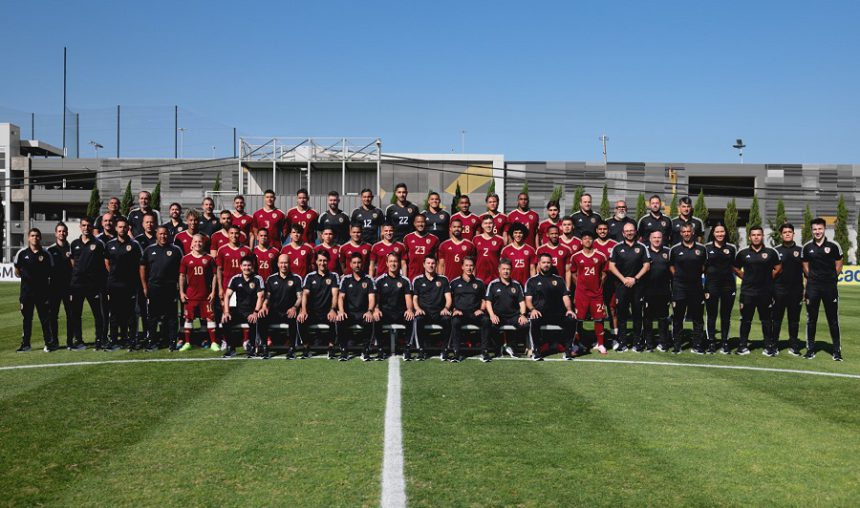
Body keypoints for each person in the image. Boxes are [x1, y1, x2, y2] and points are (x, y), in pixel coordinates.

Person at [734, 226, 781, 356]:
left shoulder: (771, 252)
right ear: (749, 237)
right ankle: (742, 346)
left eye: (758, 235)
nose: (756, 237)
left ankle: (768, 347)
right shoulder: (743, 253)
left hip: (765, 292)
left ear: (762, 236)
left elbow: (778, 268)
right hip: (747, 292)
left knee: (766, 320)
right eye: (753, 235)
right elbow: (736, 268)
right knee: (745, 320)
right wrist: (747, 278)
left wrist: (766, 278)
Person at [801, 218, 843, 360]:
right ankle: (810, 349)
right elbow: (805, 265)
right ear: (812, 230)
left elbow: (839, 264)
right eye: (814, 229)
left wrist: (830, 278)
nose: (817, 232)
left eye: (820, 229)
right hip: (813, 287)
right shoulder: (807, 247)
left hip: (829, 287)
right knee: (811, 319)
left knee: (833, 319)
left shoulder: (834, 245)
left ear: (825, 229)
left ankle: (836, 351)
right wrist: (812, 278)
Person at [525, 253, 577, 361]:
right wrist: (533, 309)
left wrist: (569, 309)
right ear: (539, 264)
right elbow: (528, 300)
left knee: (571, 319)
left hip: (557, 314)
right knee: (534, 320)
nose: (546, 265)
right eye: (543, 262)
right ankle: (536, 352)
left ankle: (568, 351)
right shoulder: (532, 281)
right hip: (540, 314)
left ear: (551, 264)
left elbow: (565, 297)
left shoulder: (559, 280)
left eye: (548, 262)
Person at [139, 225, 183, 351]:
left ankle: (172, 342)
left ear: (168, 235)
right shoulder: (149, 250)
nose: (163, 236)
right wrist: (144, 287)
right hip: (154, 288)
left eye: (165, 234)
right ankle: (152, 342)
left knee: (172, 317)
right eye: (160, 234)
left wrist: (179, 287)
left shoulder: (175, 250)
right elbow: (142, 268)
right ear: (156, 235)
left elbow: (181, 271)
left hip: (170, 288)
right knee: (153, 317)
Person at [608, 222, 650, 352]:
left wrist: (635, 279)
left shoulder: (642, 247)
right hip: (622, 286)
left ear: (635, 231)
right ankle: (623, 342)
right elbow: (611, 266)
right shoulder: (617, 247)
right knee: (622, 316)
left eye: (631, 230)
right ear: (623, 233)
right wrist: (623, 279)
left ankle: (637, 342)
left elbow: (647, 266)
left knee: (638, 315)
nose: (629, 233)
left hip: (638, 286)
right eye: (627, 231)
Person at [69, 217, 107, 350]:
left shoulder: (99, 243)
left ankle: (99, 339)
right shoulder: (74, 244)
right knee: (76, 314)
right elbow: (73, 263)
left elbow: (103, 265)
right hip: (77, 285)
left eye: (88, 226)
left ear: (92, 228)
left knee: (98, 314)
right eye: (84, 225)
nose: (86, 228)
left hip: (93, 285)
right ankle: (78, 340)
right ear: (80, 227)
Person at [104, 217, 142, 350]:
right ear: (116, 228)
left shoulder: (135, 245)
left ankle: (131, 340)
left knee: (131, 314)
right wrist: (115, 275)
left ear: (128, 229)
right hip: (114, 286)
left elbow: (140, 264)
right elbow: (107, 263)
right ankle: (114, 340)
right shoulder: (110, 245)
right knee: (114, 314)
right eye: (120, 227)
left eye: (125, 227)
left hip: (130, 285)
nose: (122, 229)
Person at [14, 228, 54, 352]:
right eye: (32, 235)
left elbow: (51, 272)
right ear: (28, 237)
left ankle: (49, 343)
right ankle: (26, 344)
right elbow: (17, 271)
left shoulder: (46, 254)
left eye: (37, 235)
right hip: (26, 294)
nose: (35, 238)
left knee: (45, 319)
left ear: (40, 238)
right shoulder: (22, 253)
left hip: (42, 293)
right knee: (27, 319)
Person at [669, 223, 707, 354]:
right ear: (681, 233)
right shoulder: (674, 249)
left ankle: (697, 345)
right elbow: (671, 266)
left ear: (693, 233)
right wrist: (679, 277)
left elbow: (704, 266)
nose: (686, 233)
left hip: (696, 288)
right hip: (679, 288)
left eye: (688, 231)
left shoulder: (702, 249)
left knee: (697, 318)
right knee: (678, 318)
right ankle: (677, 345)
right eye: (684, 231)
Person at [570, 231, 610, 354]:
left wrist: (599, 286)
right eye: (585, 239)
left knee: (599, 319)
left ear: (593, 240)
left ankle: (600, 344)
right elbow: (573, 273)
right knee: (579, 320)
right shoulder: (576, 256)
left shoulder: (601, 256)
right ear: (581, 241)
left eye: (590, 238)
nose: (587, 241)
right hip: (581, 294)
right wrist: (580, 287)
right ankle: (578, 343)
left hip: (596, 294)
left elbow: (604, 273)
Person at [483, 259, 529, 361]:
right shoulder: (493, 284)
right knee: (491, 324)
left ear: (511, 270)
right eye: (503, 269)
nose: (506, 271)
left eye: (508, 269)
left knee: (525, 325)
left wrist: (523, 315)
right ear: (499, 270)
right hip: (498, 315)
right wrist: (492, 315)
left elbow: (522, 302)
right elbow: (488, 302)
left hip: (513, 315)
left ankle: (512, 347)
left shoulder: (516, 284)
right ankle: (497, 348)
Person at [298, 251, 341, 359]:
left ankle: (331, 347)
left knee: (335, 319)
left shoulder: (334, 276)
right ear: (316, 262)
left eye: (325, 260)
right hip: (313, 312)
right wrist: (303, 310)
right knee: (300, 319)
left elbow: (335, 294)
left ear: (328, 261)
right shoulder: (310, 277)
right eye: (320, 260)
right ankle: (306, 347)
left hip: (327, 311)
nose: (322, 263)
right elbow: (305, 295)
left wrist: (333, 309)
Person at [179, 234, 218, 351]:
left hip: (206, 295)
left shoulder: (210, 258)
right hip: (190, 295)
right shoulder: (185, 258)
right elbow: (181, 276)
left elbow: (215, 275)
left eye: (200, 242)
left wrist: (213, 291)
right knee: (188, 319)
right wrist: (181, 292)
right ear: (191, 244)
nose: (197, 244)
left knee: (210, 318)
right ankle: (187, 343)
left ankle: (214, 343)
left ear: (203, 243)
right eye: (195, 242)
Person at [409, 255, 452, 361]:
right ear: (424, 265)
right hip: (424, 312)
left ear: (436, 265)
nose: (430, 265)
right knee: (418, 319)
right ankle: (421, 350)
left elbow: (449, 298)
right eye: (428, 263)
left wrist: (446, 308)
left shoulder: (443, 279)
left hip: (439, 312)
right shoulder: (417, 280)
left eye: (433, 263)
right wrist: (418, 308)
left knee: (448, 319)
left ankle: (445, 350)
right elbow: (414, 298)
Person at [221, 257, 265, 358]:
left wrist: (255, 312)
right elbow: (227, 295)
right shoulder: (235, 279)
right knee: (225, 320)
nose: (247, 268)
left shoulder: (258, 279)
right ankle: (231, 348)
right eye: (244, 265)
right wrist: (226, 312)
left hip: (252, 311)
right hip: (239, 311)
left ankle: (253, 348)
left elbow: (261, 296)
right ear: (240, 267)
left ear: (252, 267)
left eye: (249, 265)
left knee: (254, 320)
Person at [260, 254, 303, 358]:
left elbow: (300, 297)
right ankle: (264, 347)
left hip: (289, 311)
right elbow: (267, 297)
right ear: (278, 264)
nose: (284, 265)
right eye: (281, 263)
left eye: (286, 263)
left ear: (289, 264)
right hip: (275, 312)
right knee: (261, 317)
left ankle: (292, 348)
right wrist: (264, 306)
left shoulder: (296, 278)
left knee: (293, 317)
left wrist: (294, 307)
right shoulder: (271, 279)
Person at [373, 252, 415, 360]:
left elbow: (408, 299)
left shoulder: (405, 281)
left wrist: (410, 309)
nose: (393, 264)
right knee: (376, 317)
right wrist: (376, 309)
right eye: (391, 261)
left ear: (399, 264)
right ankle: (380, 349)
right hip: (385, 312)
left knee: (411, 317)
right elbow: (376, 299)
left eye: (395, 261)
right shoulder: (380, 280)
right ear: (386, 263)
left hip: (400, 312)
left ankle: (407, 348)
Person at [337, 253, 378, 361]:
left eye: (359, 262)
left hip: (363, 312)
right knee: (340, 320)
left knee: (369, 320)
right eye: (354, 263)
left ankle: (365, 350)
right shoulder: (345, 280)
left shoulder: (368, 279)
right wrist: (341, 311)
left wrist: (370, 311)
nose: (357, 265)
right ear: (350, 264)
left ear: (363, 264)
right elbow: (340, 297)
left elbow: (372, 298)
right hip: (349, 313)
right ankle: (344, 350)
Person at [704, 223, 737, 354]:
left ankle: (724, 341)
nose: (720, 234)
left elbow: (735, 266)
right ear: (713, 233)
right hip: (711, 285)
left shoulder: (732, 248)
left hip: (728, 285)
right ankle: (711, 341)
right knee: (711, 315)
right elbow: (702, 267)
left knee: (726, 315)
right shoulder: (706, 248)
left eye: (722, 231)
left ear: (725, 232)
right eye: (717, 232)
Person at [446, 257, 486, 362]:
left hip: (474, 313)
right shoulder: (454, 283)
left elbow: (484, 300)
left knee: (486, 321)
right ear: (462, 267)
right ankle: (456, 352)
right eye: (467, 265)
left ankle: (484, 352)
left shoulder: (479, 283)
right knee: (455, 321)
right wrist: (454, 310)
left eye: (471, 265)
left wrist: (481, 309)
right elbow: (449, 299)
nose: (469, 268)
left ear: (474, 267)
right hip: (460, 313)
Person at [773, 223, 804, 356]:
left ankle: (794, 345)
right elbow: (771, 271)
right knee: (776, 319)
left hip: (796, 290)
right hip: (778, 290)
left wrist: (805, 289)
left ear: (793, 234)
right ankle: (773, 345)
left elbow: (806, 271)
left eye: (789, 232)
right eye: (784, 232)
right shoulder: (775, 251)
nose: (787, 234)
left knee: (794, 319)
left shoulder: (801, 250)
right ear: (781, 235)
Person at [643, 231, 672, 352]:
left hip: (664, 291)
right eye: (654, 237)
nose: (656, 239)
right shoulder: (645, 251)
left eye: (659, 237)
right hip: (648, 291)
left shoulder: (668, 252)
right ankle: (649, 344)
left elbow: (672, 270)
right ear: (650, 239)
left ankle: (663, 342)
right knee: (648, 319)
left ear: (662, 238)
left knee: (663, 318)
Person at [47, 222, 74, 350]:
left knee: (71, 315)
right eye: (59, 231)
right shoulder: (50, 250)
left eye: (64, 231)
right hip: (54, 288)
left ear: (67, 233)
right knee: (53, 315)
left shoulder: (72, 248)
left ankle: (70, 341)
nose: (62, 233)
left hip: (69, 288)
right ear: (55, 233)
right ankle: (55, 341)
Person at [133, 212, 158, 346]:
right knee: (139, 309)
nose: (149, 224)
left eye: (151, 222)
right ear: (142, 224)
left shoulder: (159, 238)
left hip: (155, 280)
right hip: (140, 280)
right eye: (146, 222)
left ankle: (151, 334)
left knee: (153, 310)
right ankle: (137, 336)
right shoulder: (137, 241)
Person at [404, 214, 440, 281]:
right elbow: (404, 262)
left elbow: (437, 261)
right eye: (418, 222)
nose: (420, 224)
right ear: (414, 223)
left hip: (429, 278)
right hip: (412, 276)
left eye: (422, 222)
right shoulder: (407, 238)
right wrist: (404, 279)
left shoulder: (434, 239)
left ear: (426, 223)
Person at [473, 215, 504, 285]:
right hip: (479, 276)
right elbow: (473, 259)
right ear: (482, 225)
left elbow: (502, 260)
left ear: (494, 225)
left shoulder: (500, 240)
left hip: (495, 276)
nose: (488, 225)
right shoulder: (476, 239)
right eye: (486, 223)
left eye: (490, 223)